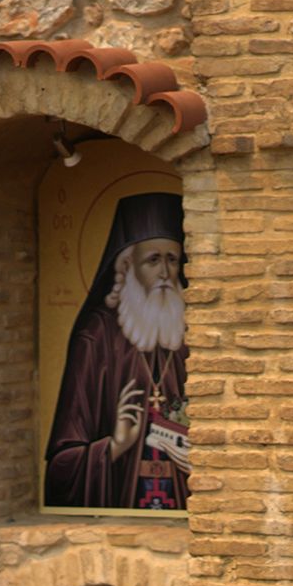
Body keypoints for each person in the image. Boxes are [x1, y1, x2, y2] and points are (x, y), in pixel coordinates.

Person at [43, 192, 191, 509]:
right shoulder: (96, 334)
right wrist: (114, 446)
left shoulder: (190, 328)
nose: (165, 273)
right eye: (153, 259)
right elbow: (62, 464)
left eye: (173, 259)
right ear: (127, 265)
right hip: (121, 491)